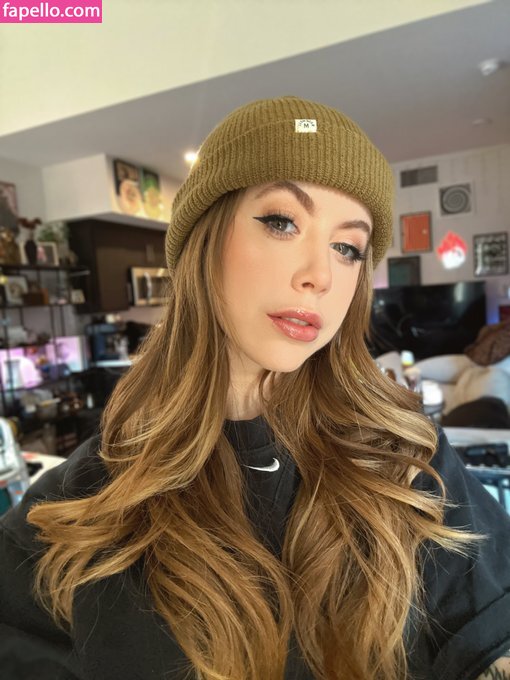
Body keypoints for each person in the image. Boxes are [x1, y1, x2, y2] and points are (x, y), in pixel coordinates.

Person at [1, 95, 510, 680]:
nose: (319, 275)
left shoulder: (408, 465)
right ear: (204, 239)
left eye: (347, 248)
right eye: (281, 222)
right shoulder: (76, 512)